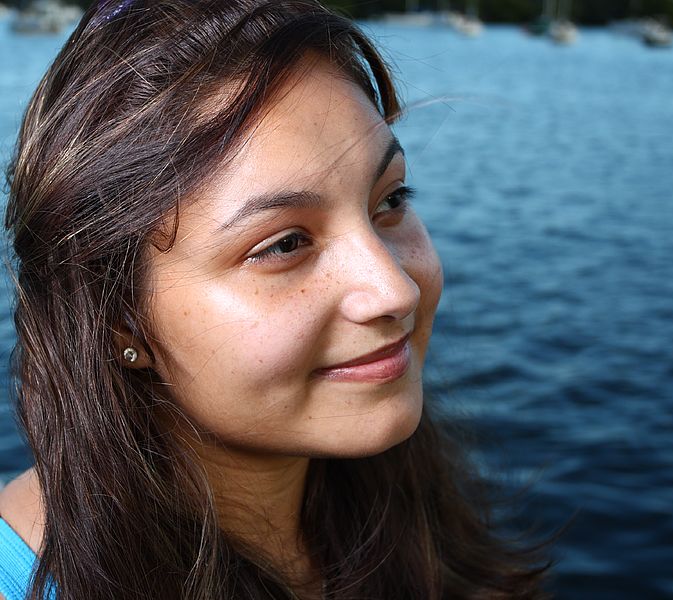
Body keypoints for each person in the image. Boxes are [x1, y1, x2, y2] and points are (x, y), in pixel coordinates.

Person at [0, 1, 548, 598]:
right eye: (284, 243)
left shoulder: (403, 518)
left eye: (390, 201)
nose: (396, 289)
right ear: (117, 322)